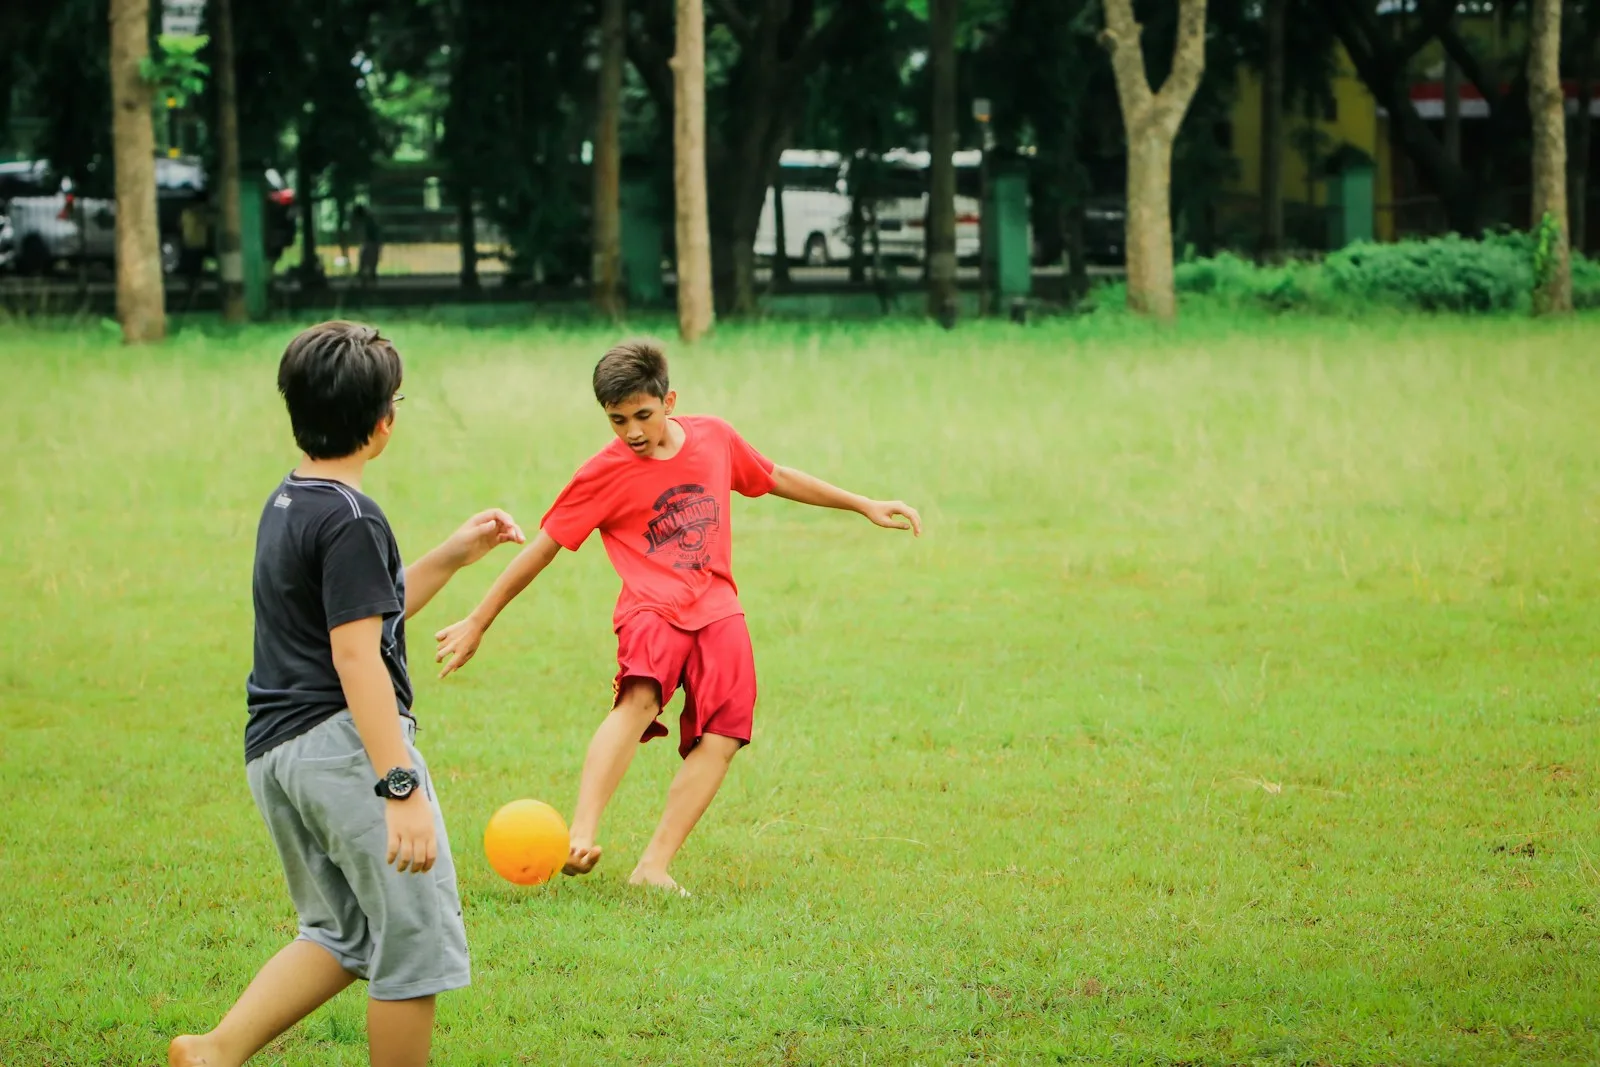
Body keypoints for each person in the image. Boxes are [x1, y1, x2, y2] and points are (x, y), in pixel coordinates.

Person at [433, 338, 920, 895]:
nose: (633, 431)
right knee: (638, 698)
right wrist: (478, 620)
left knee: (726, 733)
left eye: (643, 414)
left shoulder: (714, 437)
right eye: (618, 420)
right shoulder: (602, 473)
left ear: (670, 400)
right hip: (651, 609)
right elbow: (541, 549)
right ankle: (581, 833)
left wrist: (864, 504)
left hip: (717, 609)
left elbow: (774, 475)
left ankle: (653, 866)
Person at [169, 321, 525, 1067]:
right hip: (343, 750)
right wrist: (399, 784)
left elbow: (368, 610)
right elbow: (357, 654)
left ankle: (214, 1051)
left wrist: (454, 555)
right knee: (413, 943)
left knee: (341, 931)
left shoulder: (292, 501)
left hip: (279, 750)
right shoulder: (355, 519)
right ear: (383, 423)